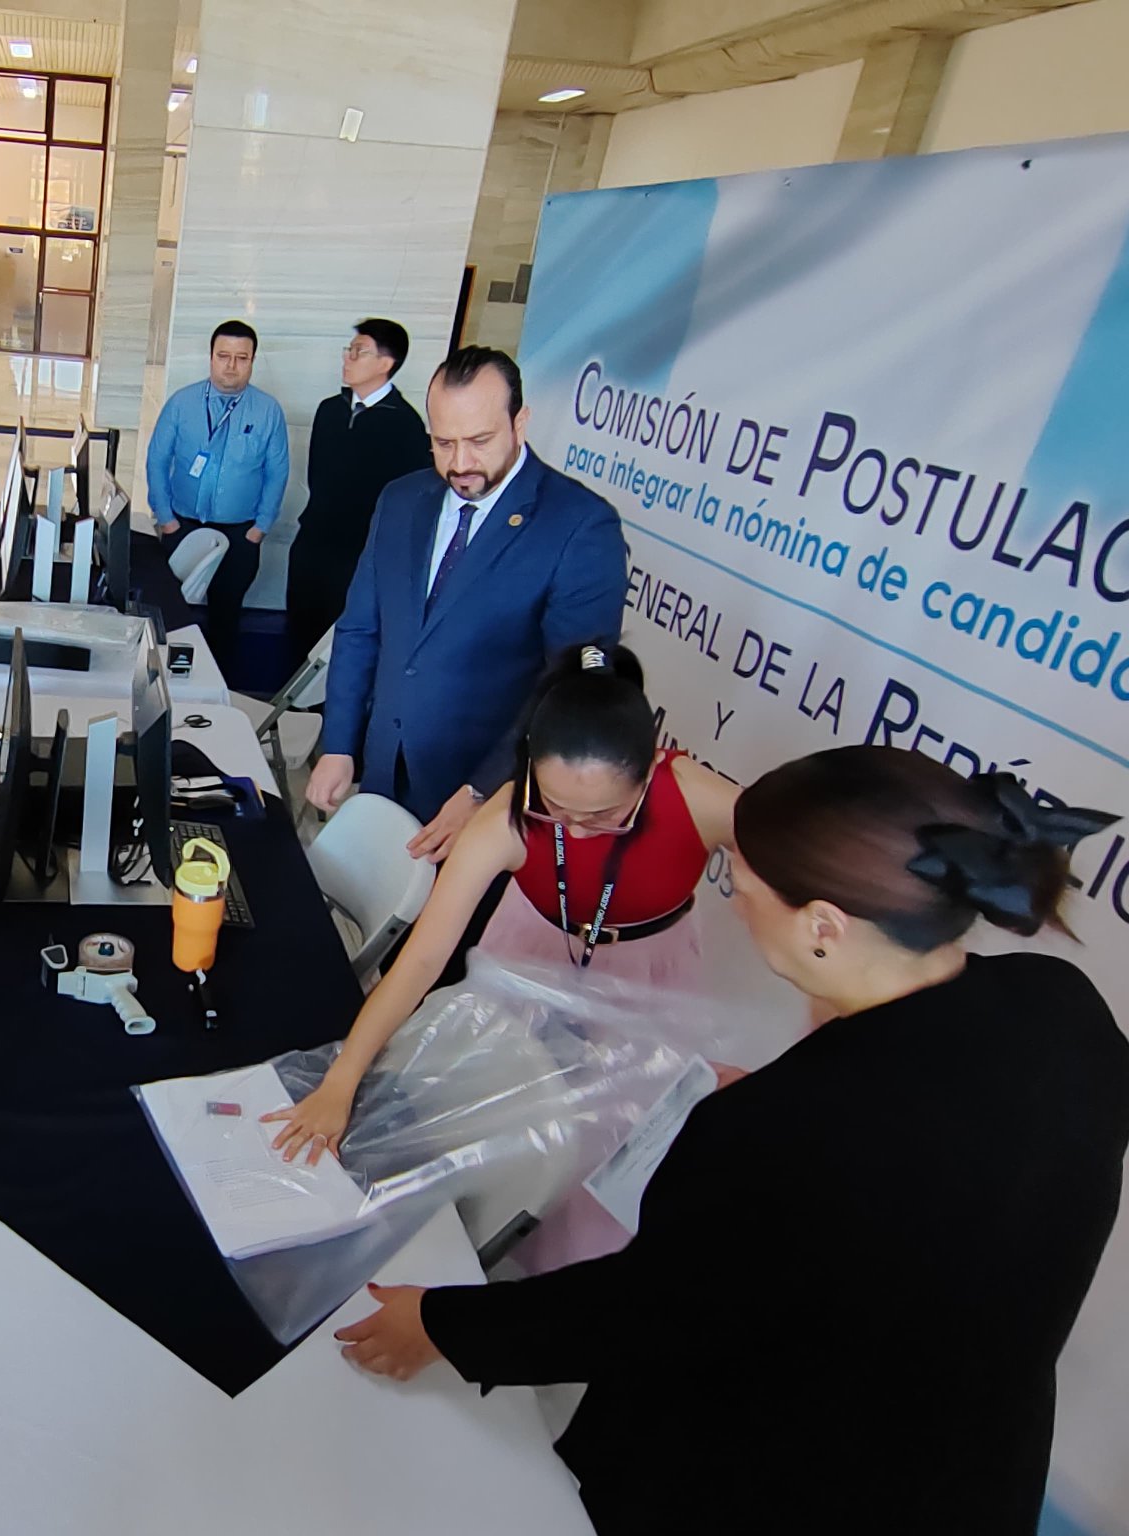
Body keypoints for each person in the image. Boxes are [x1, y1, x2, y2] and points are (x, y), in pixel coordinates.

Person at [335, 746, 1128, 1536]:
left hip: (772, 1480)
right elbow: (943, 1167)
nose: (738, 907)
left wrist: (440, 1324)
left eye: (744, 890)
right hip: (974, 1478)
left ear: (824, 925)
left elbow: (639, 1315)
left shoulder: (778, 1136)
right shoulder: (1066, 1013)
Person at [268, 643, 739, 1168]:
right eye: (556, 807)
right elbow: (422, 960)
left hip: (647, 973)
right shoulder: (505, 818)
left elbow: (798, 870)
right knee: (505, 1127)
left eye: (605, 815)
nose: (576, 830)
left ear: (652, 768)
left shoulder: (697, 796)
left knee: (616, 1144)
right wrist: (341, 1081)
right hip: (529, 955)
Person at [309, 345, 628, 870]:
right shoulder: (401, 499)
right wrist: (340, 742)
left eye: (479, 441)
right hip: (386, 770)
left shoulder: (579, 526)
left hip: (485, 793)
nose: (460, 463)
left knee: (449, 945)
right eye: (443, 442)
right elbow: (361, 628)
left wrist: (483, 790)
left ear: (519, 422)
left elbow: (568, 686)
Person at [283, 319, 431, 671]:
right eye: (348, 350)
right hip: (312, 548)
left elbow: (404, 504)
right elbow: (315, 476)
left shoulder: (406, 426)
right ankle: (290, 723)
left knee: (339, 654)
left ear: (386, 363)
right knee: (297, 641)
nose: (348, 358)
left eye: (359, 351)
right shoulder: (329, 410)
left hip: (358, 558)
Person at [145, 319, 290, 675]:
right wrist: (166, 518)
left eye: (242, 358)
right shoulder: (182, 403)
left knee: (226, 617)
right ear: (210, 357)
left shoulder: (268, 411)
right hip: (183, 527)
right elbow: (157, 459)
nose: (231, 365)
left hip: (240, 534)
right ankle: (162, 683)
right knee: (172, 614)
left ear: (253, 361)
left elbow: (278, 472)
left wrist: (260, 528)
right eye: (223, 355)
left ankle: (217, 686)